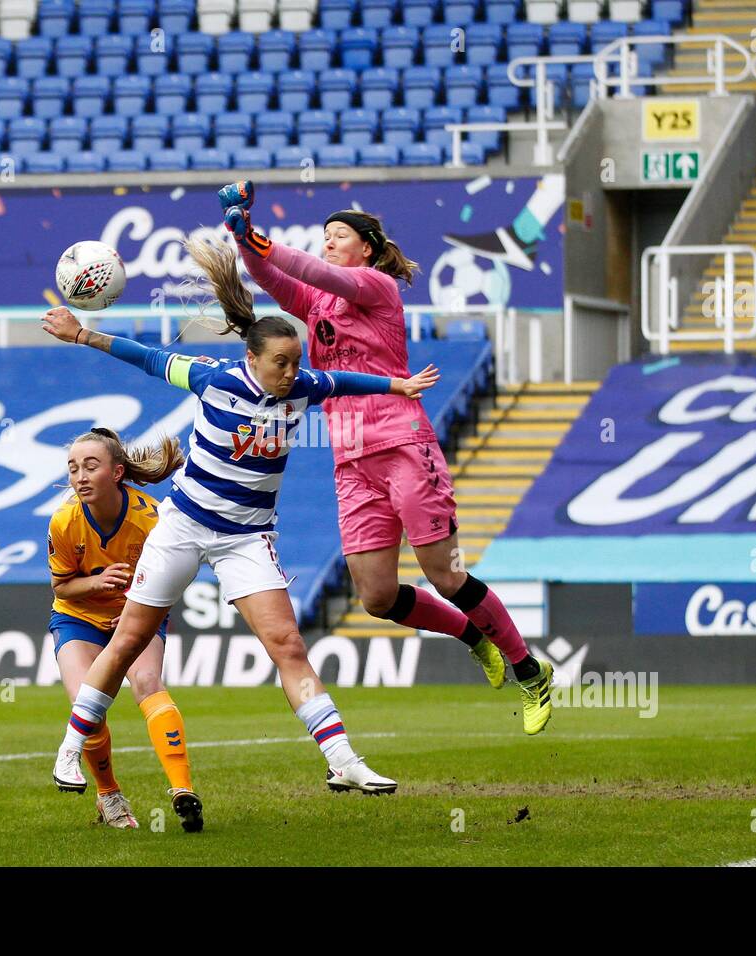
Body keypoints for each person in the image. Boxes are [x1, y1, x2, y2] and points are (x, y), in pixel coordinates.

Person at [40, 238, 440, 824]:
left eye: (297, 360)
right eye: (282, 362)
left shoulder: (301, 387)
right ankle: (70, 751)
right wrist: (82, 334)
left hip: (247, 538)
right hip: (184, 526)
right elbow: (146, 356)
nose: (294, 371)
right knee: (127, 642)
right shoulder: (212, 379)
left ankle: (343, 758)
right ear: (253, 360)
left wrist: (394, 386)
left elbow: (346, 380)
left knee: (287, 645)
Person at [218, 180, 555, 735]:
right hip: (351, 459)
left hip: (401, 444)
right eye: (323, 236)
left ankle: (528, 669)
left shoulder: (375, 287)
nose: (327, 243)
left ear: (366, 248)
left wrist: (254, 233)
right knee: (375, 596)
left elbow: (311, 270)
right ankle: (474, 638)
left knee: (444, 574)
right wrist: (241, 239)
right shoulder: (318, 302)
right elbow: (275, 277)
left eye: (338, 235)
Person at [47, 426, 196, 830]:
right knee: (85, 703)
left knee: (147, 680)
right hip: (79, 619)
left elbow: (179, 575)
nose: (79, 476)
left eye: (90, 466)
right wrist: (97, 583)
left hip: (138, 617)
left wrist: (137, 609)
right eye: (73, 467)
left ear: (116, 472)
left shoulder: (152, 519)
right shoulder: (63, 521)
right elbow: (62, 586)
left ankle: (184, 790)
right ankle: (109, 795)